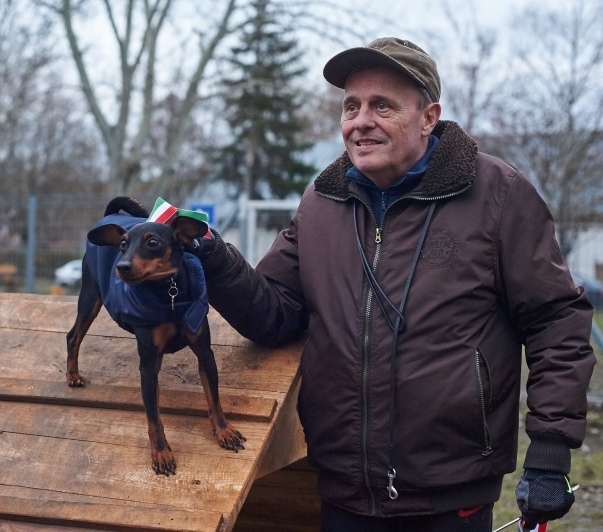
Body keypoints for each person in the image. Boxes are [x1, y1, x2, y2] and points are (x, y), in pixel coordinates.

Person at [189, 37, 596, 531]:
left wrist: (550, 454)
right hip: (343, 490)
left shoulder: (498, 195)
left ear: (428, 117)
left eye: (382, 106)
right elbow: (273, 315)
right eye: (351, 106)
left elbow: (556, 320)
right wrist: (210, 254)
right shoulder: (321, 203)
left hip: (452, 495)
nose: (361, 121)